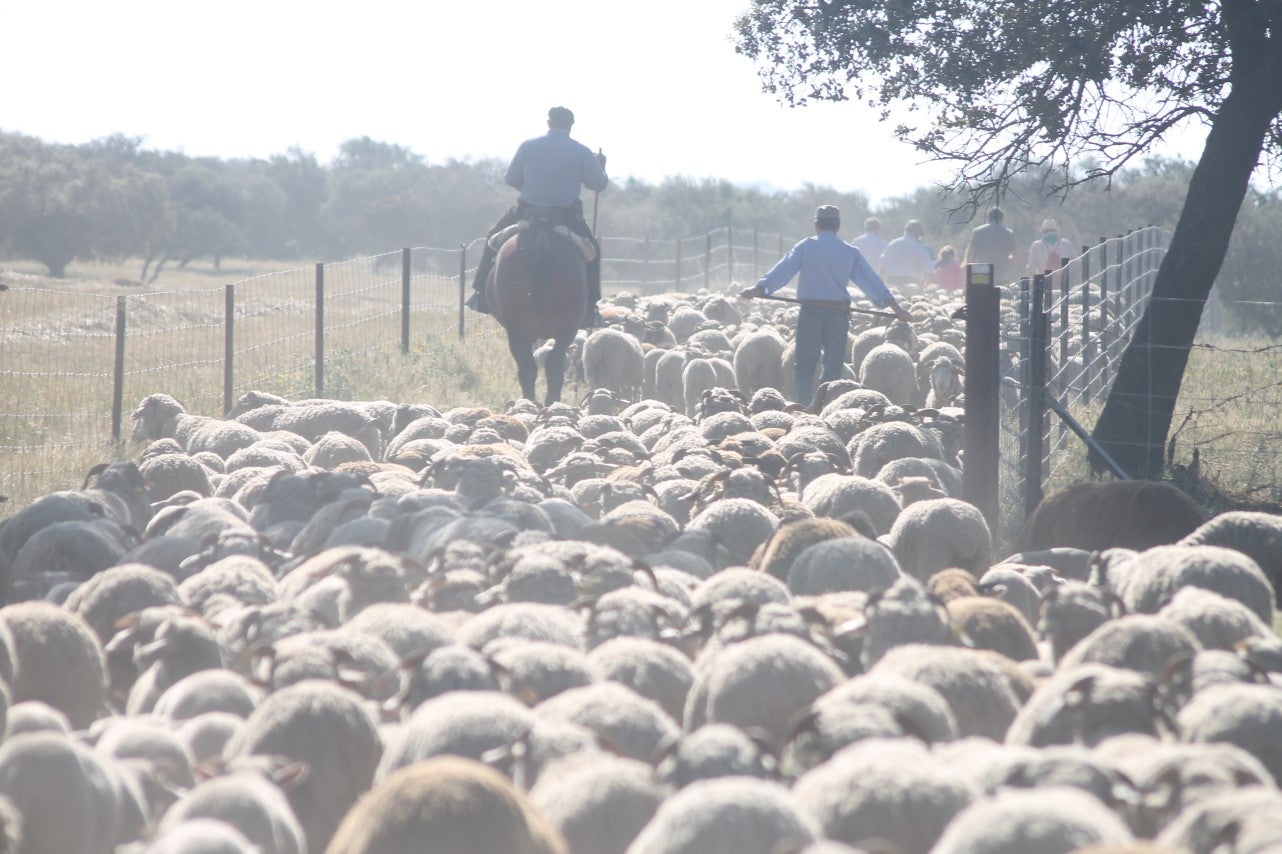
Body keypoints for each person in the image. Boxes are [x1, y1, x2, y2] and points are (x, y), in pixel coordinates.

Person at [739, 205, 912, 407]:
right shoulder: (849, 252)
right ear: (838, 226)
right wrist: (896, 308)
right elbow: (871, 281)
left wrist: (759, 289)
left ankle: (803, 406)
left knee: (804, 365)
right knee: (833, 367)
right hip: (837, 315)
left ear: (816, 226)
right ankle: (825, 406)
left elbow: (783, 270)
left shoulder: (806, 247)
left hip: (811, 313)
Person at [467, 106, 609, 328]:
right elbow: (598, 184)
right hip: (566, 216)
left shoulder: (528, 145)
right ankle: (590, 308)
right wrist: (600, 167)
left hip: (527, 211)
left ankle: (481, 295)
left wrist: (532, 185)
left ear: (548, 122)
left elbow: (511, 178)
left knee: (493, 238)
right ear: (570, 125)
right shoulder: (581, 151)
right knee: (593, 250)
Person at [962, 207, 1018, 284]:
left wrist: (968, 270)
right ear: (1002, 219)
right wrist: (1007, 260)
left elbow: (970, 253)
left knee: (981, 295)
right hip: (1002, 275)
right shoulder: (1009, 233)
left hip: (982, 274)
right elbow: (1016, 256)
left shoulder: (978, 231)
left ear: (988, 218)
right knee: (1001, 295)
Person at [879, 219, 934, 292]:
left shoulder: (892, 244)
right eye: (919, 234)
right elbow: (928, 268)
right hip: (911, 283)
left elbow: (882, 265)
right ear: (916, 232)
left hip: (891, 283)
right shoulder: (918, 246)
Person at [1027, 218, 1075, 284]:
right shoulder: (1066, 244)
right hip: (1063, 283)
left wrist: (1030, 283)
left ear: (1043, 231)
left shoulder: (1036, 245)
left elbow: (1031, 268)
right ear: (1056, 230)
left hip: (1044, 283)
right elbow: (1077, 263)